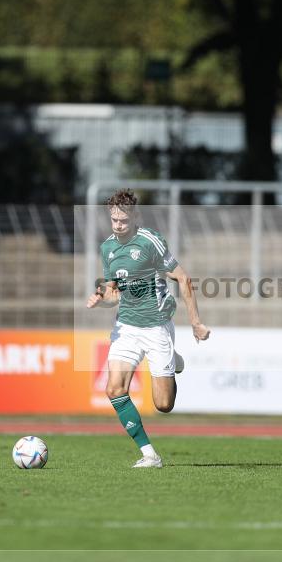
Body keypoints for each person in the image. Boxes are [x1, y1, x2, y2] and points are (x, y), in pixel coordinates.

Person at [86, 190, 211, 468]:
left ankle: (174, 360)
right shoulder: (107, 248)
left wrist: (195, 322)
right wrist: (101, 298)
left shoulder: (150, 242)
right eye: (114, 220)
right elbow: (113, 292)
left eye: (123, 220)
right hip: (126, 327)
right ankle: (149, 454)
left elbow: (184, 279)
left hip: (156, 327)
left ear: (135, 217)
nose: (118, 225)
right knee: (114, 389)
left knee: (163, 405)